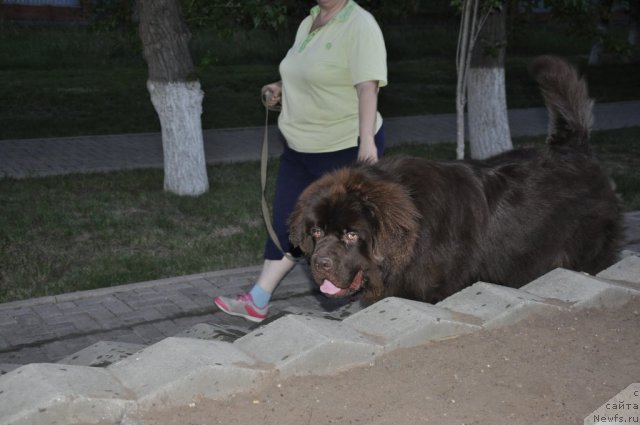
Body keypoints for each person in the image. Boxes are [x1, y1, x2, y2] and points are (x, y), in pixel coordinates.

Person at [213, 0, 387, 322]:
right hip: (299, 148)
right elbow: (307, 71)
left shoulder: (360, 24)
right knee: (288, 225)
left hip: (342, 149)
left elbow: (367, 87)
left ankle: (372, 296)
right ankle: (258, 300)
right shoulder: (310, 22)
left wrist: (367, 143)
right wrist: (281, 87)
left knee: (348, 231)